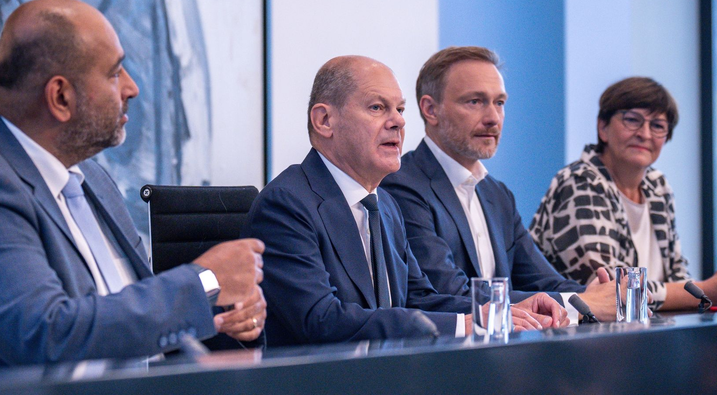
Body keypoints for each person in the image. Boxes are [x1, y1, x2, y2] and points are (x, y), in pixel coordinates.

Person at [0, 0, 266, 367]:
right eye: (115, 74)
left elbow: (127, 316)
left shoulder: (92, 179)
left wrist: (216, 313)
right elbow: (48, 335)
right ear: (61, 97)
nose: (132, 88)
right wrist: (204, 282)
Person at [242, 56, 564, 346]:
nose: (398, 121)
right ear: (325, 120)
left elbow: (419, 298)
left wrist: (503, 310)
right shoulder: (286, 205)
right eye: (377, 107)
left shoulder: (384, 205)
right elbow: (321, 320)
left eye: (400, 109)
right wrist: (461, 325)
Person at [381, 46, 615, 323]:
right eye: (475, 102)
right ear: (431, 109)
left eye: (500, 102)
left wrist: (597, 293)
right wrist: (583, 304)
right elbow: (447, 293)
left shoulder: (497, 194)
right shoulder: (401, 187)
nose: (493, 118)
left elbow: (544, 280)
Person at [530, 76, 717, 311]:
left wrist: (705, 291)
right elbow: (612, 289)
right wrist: (706, 291)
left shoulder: (658, 186)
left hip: (646, 326)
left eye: (657, 126)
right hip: (574, 329)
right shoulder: (579, 182)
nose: (645, 134)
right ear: (603, 127)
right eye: (632, 120)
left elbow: (677, 275)